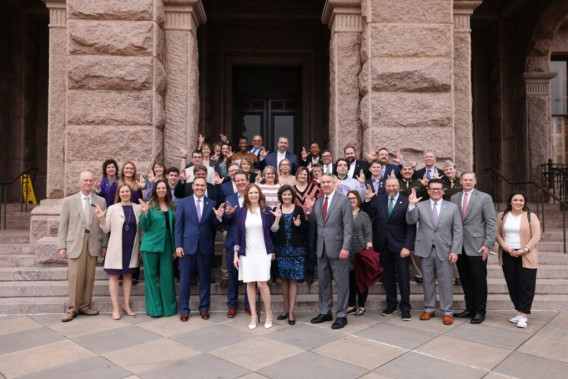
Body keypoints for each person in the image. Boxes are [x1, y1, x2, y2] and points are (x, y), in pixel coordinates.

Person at [406, 179, 463, 325]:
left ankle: (447, 312)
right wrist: (411, 205)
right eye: (432, 189)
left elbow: (457, 231)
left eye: (438, 188)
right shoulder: (420, 205)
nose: (435, 191)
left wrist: (455, 251)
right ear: (428, 190)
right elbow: (411, 221)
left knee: (445, 283)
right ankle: (429, 308)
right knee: (428, 282)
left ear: (443, 190)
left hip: (445, 250)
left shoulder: (452, 207)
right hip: (426, 250)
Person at [57, 171, 108, 322]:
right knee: (75, 276)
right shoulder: (69, 201)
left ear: (94, 183)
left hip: (93, 242)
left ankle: (85, 305)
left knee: (89, 276)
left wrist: (104, 244)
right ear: (79, 182)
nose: (88, 183)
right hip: (75, 243)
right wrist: (62, 246)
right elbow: (63, 225)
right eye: (85, 180)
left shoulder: (101, 200)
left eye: (90, 180)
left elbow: (102, 223)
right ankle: (73, 308)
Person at [363, 177, 416, 320]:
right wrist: (368, 201)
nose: (391, 188)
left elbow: (411, 227)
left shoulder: (406, 201)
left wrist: (407, 246)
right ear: (385, 187)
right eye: (389, 186)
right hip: (383, 245)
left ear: (398, 186)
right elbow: (369, 216)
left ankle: (405, 308)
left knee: (404, 278)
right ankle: (391, 305)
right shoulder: (379, 199)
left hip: (401, 246)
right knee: (388, 278)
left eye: (393, 185)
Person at [305, 173, 353, 329]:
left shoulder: (343, 200)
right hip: (322, 248)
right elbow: (315, 223)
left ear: (334, 183)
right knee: (323, 283)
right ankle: (325, 311)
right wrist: (309, 211)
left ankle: (341, 315)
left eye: (328, 182)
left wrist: (346, 247)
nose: (325, 184)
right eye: (323, 182)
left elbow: (348, 226)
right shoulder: (318, 202)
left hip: (339, 248)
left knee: (341, 283)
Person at [175, 177, 225, 321]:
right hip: (186, 247)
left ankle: (204, 308)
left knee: (205, 280)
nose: (200, 188)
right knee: (184, 281)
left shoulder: (212, 203)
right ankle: (184, 309)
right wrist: (178, 245)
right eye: (197, 185)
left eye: (202, 185)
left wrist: (218, 218)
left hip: (205, 247)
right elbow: (178, 226)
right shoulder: (183, 203)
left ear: (206, 187)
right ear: (192, 186)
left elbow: (214, 226)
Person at [451, 171, 497, 324]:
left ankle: (479, 311)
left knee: (478, 279)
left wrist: (487, 244)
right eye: (465, 180)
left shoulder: (485, 198)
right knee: (465, 279)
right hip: (460, 246)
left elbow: (491, 222)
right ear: (461, 181)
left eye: (471, 180)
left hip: (478, 246)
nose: (468, 182)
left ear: (475, 182)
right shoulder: (454, 198)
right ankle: (469, 308)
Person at [233, 183, 277, 329]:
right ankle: (253, 315)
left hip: (263, 252)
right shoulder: (241, 212)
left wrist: (277, 219)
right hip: (247, 252)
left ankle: (269, 314)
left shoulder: (267, 210)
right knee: (250, 283)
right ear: (247, 195)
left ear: (259, 194)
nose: (253, 195)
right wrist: (236, 254)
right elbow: (238, 234)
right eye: (250, 193)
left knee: (262, 284)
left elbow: (273, 231)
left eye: (255, 193)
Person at [96, 183, 142, 320]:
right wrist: (101, 218)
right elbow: (106, 229)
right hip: (116, 247)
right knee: (114, 276)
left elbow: (141, 229)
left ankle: (126, 305)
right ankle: (115, 307)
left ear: (131, 193)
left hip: (131, 247)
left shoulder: (138, 208)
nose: (125, 194)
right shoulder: (112, 208)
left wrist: (140, 246)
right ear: (118, 194)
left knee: (128, 276)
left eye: (127, 191)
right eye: (122, 192)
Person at [495, 192, 541, 328]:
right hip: (508, 254)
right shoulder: (502, 216)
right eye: (515, 200)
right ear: (510, 202)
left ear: (524, 202)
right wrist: (505, 247)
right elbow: (497, 234)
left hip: (526, 254)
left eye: (521, 200)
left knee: (526, 285)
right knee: (512, 284)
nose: (518, 202)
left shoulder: (530, 216)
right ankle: (519, 311)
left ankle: (524, 315)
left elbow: (536, 236)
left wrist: (525, 249)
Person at [139, 179, 177, 318]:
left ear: (167, 190)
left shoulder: (172, 206)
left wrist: (175, 247)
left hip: (167, 244)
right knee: (151, 277)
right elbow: (145, 227)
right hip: (151, 245)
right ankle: (154, 309)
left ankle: (169, 308)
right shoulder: (149, 205)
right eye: (159, 188)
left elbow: (175, 229)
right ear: (155, 190)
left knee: (167, 277)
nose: (161, 190)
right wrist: (145, 214)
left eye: (164, 188)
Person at [272, 185, 306, 325]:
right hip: (281, 250)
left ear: (292, 196)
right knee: (284, 280)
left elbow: (305, 230)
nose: (287, 197)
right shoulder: (276, 210)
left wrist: (299, 225)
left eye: (289, 195)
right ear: (280, 196)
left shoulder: (298, 209)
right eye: (284, 195)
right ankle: (285, 309)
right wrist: (276, 219)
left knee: (293, 280)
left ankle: (291, 311)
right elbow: (273, 232)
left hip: (295, 250)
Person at [223, 171, 252, 317]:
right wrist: (227, 215)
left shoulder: (254, 197)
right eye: (237, 180)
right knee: (232, 276)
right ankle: (232, 304)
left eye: (243, 180)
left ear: (248, 181)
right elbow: (225, 224)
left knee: (249, 276)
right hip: (232, 242)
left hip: (251, 242)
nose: (240, 183)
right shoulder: (229, 199)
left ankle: (248, 304)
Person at [345, 190, 373, 316]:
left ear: (358, 199)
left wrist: (369, 247)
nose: (351, 200)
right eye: (349, 198)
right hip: (347, 251)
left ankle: (361, 306)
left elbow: (368, 233)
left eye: (354, 198)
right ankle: (351, 305)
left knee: (361, 281)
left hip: (360, 251)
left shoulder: (363, 215)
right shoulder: (344, 214)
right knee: (350, 281)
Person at [294, 166, 321, 283]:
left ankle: (310, 274)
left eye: (305, 174)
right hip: (297, 222)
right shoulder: (292, 189)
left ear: (308, 176)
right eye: (300, 174)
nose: (302, 176)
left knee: (310, 249)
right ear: (297, 175)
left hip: (311, 221)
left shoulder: (314, 188)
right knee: (299, 248)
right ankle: (299, 273)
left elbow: (320, 202)